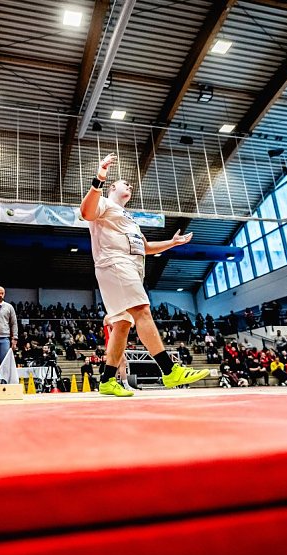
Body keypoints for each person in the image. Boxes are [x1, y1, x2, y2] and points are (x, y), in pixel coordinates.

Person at [80, 153, 209, 397]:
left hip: (129, 268)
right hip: (116, 264)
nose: (129, 185)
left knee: (122, 325)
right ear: (112, 187)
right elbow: (86, 213)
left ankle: (107, 380)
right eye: (124, 183)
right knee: (142, 311)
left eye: (130, 184)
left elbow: (146, 248)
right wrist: (99, 177)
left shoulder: (130, 219)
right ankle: (169, 370)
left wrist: (172, 243)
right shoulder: (105, 204)